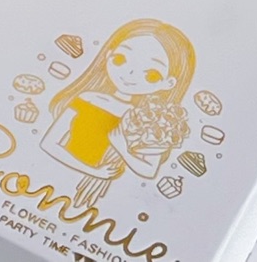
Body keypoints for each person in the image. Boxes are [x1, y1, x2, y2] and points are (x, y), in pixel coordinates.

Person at [39, 19, 197, 202]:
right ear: (108, 55)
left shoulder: (149, 120)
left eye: (151, 75)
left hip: (94, 194)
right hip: (51, 175)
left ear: (169, 83)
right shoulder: (87, 98)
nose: (130, 74)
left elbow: (149, 170)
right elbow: (49, 144)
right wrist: (95, 172)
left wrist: (122, 148)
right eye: (120, 59)